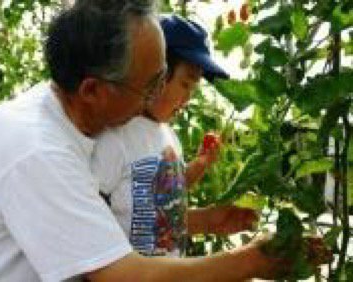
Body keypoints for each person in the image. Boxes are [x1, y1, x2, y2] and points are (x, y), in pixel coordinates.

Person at [0, 1, 290, 281]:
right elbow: (122, 275)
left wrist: (202, 220)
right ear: (93, 90)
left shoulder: (85, 120)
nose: (156, 97)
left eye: (163, 76)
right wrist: (248, 262)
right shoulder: (36, 151)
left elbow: (117, 221)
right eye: (150, 86)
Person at [92, 15, 258, 258]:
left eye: (194, 89)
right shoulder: (117, 135)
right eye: (185, 84)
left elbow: (167, 196)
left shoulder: (168, 137)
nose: (188, 98)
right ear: (155, 73)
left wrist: (199, 171)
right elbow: (89, 216)